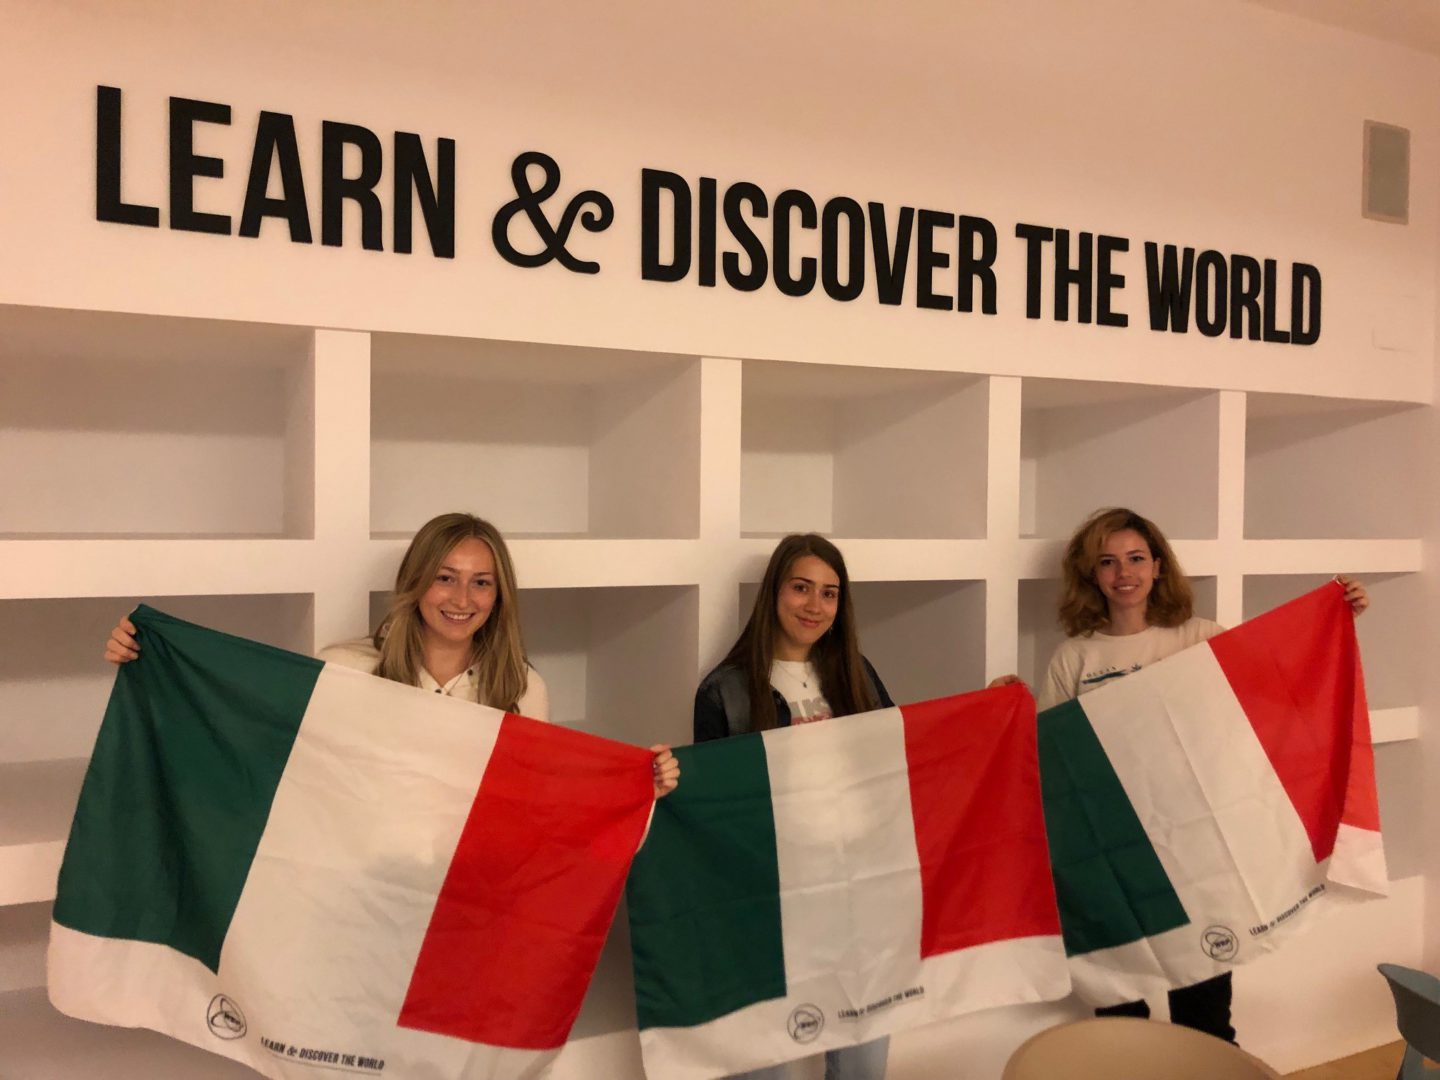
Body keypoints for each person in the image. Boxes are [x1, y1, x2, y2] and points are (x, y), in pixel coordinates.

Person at [1037, 506, 1368, 1043]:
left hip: (1197, 853)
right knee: (1121, 1027)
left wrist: (1335, 618)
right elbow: (1051, 764)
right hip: (1114, 858)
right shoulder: (1074, 657)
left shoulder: (1201, 636)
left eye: (1137, 558)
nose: (1125, 573)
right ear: (1089, 575)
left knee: (1206, 1021)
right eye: (1107, 561)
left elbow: (1271, 695)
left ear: (1159, 566)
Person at [694, 532, 1017, 1080]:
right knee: (764, 1059)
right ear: (774, 591)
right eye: (801, 588)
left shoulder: (855, 672)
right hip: (772, 901)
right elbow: (713, 813)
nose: (814, 606)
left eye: (829, 593)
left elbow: (905, 757)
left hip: (858, 893)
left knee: (863, 1056)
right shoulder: (724, 691)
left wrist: (987, 709)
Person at [107, 512, 679, 797]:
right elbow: (252, 740)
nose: (461, 599)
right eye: (444, 577)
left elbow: (542, 804)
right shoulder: (345, 669)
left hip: (468, 898)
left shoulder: (523, 689)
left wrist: (634, 786)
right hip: (363, 895)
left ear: (499, 594)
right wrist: (150, 663)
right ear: (415, 582)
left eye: (481, 583)